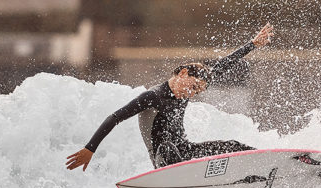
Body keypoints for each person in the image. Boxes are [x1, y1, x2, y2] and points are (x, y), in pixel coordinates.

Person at [66, 23, 274, 171]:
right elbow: (115, 117)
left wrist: (252, 44)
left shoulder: (188, 90)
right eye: (192, 87)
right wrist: (89, 149)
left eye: (197, 91)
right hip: (164, 161)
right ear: (183, 73)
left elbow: (223, 65)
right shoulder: (152, 97)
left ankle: (266, 163)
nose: (192, 93)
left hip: (186, 153)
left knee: (231, 145)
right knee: (167, 147)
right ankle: (186, 177)